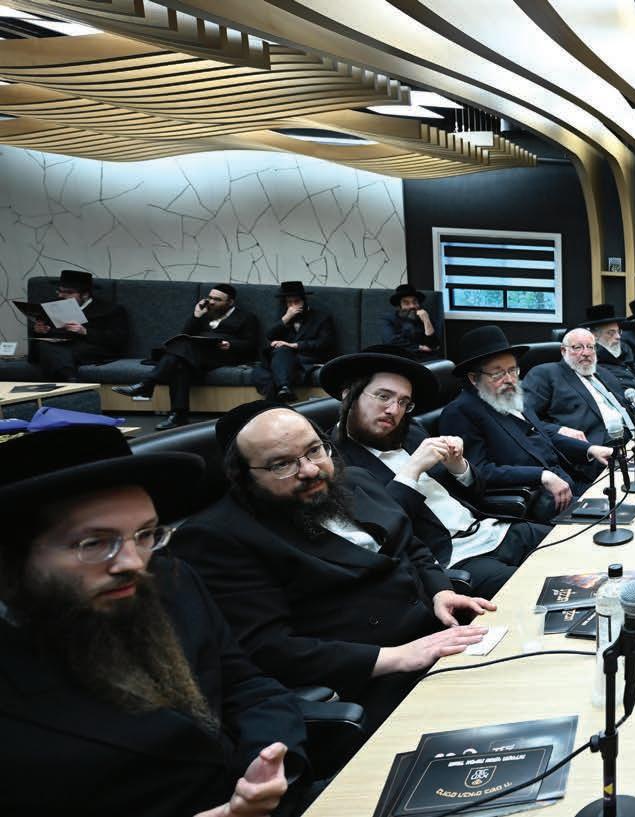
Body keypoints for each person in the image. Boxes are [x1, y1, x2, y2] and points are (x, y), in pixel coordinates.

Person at [0, 426, 310, 817]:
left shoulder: (171, 582)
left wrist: (267, 764)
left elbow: (248, 686)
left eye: (145, 534)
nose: (133, 562)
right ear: (12, 554)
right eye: (95, 543)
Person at [170, 401, 496, 727]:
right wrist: (397, 657)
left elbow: (410, 544)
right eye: (282, 464)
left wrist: (440, 591)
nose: (310, 470)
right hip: (369, 682)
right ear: (243, 476)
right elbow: (268, 649)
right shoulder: (217, 536)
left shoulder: (354, 479)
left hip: (438, 635)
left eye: (314, 450)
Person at [324, 353, 553, 597]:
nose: (393, 410)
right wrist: (412, 470)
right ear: (348, 395)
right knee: (545, 588)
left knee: (575, 543)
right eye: (383, 396)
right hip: (455, 559)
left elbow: (477, 493)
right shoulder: (333, 463)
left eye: (403, 402)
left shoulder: (411, 431)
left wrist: (459, 467)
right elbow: (384, 532)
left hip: (494, 530)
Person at [438, 325, 610, 520]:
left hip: (569, 481)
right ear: (473, 378)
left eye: (512, 370)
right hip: (537, 500)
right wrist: (541, 475)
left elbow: (542, 434)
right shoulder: (460, 412)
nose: (509, 379)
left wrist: (590, 449)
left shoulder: (511, 397)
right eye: (498, 373)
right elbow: (479, 472)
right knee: (614, 520)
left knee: (625, 497)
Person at [114, 283, 262, 430]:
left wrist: (230, 344)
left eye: (217, 299)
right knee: (180, 365)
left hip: (224, 355)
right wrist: (196, 316)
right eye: (210, 297)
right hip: (196, 354)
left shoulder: (246, 317)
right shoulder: (204, 314)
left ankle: (148, 385)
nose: (211, 302)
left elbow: (251, 344)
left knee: (180, 351)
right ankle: (178, 416)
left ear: (230, 302)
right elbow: (185, 334)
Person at [524, 328, 635, 449]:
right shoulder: (545, 373)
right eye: (577, 347)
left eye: (590, 347)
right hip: (590, 448)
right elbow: (526, 418)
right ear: (563, 351)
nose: (586, 353)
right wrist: (559, 430)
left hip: (631, 441)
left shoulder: (603, 373)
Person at [27, 269, 130, 382]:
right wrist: (41, 330)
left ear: (85, 294)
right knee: (45, 346)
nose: (61, 295)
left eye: (68, 292)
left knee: (55, 352)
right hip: (58, 345)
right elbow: (45, 333)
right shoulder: (52, 305)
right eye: (60, 291)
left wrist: (85, 331)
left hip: (91, 347)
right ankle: (70, 380)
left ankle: (67, 380)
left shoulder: (110, 309)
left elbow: (118, 339)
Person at [254, 281, 337, 403]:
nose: (293, 306)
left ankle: (277, 397)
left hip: (306, 358)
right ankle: (283, 390)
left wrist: (293, 345)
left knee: (280, 356)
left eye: (296, 302)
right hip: (282, 359)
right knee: (265, 367)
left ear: (304, 301)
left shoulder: (321, 317)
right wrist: (286, 318)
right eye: (289, 302)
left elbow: (324, 343)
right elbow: (270, 336)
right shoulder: (285, 317)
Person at [381, 283, 440, 359]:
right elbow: (390, 341)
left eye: (415, 302)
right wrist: (419, 347)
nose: (412, 306)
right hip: (398, 358)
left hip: (423, 359)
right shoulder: (389, 319)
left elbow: (434, 346)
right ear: (399, 306)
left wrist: (426, 321)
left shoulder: (424, 317)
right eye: (406, 303)